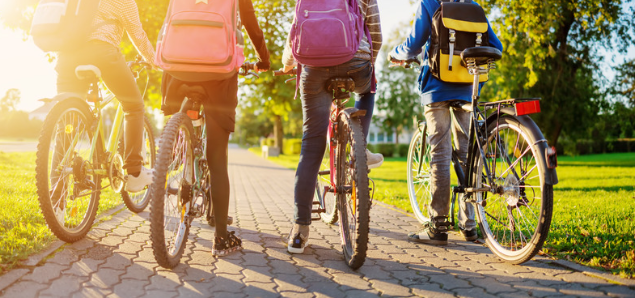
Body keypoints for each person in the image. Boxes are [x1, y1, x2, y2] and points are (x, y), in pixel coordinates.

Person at [161, 0, 271, 256]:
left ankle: (178, 152)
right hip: (219, 72)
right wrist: (263, 58)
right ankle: (221, 238)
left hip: (178, 69)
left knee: (176, 127)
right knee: (217, 158)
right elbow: (251, 24)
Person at [390, 0, 503, 245]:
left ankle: (438, 225)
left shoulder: (430, 3)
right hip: (467, 89)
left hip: (436, 89)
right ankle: (469, 225)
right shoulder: (472, 5)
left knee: (439, 153)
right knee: (466, 154)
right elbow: (496, 45)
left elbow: (413, 44)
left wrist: (395, 54)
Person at [281, 0, 383, 254]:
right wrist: (370, 59)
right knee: (368, 89)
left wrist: (288, 63)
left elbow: (297, 25)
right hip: (356, 59)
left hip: (314, 65)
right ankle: (360, 151)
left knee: (312, 144)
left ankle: (299, 230)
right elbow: (376, 34)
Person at [54, 0, 156, 192]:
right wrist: (157, 61)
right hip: (101, 52)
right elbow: (138, 36)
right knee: (134, 106)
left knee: (66, 124)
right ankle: (134, 174)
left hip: (67, 57)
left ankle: (55, 201)